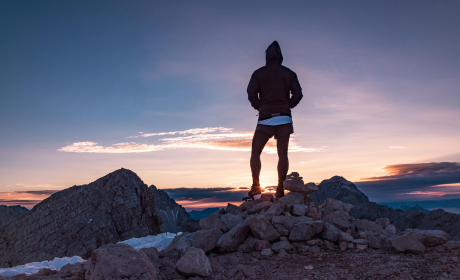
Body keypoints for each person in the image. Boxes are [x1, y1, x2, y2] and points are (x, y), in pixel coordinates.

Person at [247, 41, 303, 199]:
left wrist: (261, 107)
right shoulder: (290, 73)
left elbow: (251, 94)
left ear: (266, 56)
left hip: (265, 119)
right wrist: (287, 106)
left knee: (256, 152)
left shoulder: (258, 73)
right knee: (283, 154)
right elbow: (298, 95)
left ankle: (256, 186)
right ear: (281, 56)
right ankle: (280, 189)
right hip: (284, 118)